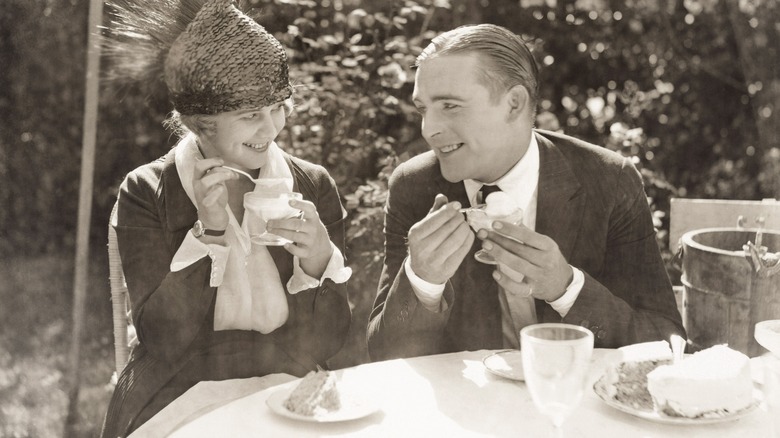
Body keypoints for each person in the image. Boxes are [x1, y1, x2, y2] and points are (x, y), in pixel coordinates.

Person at [100, 0, 351, 435]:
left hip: (288, 384)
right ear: (202, 123)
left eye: (279, 108)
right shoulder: (147, 190)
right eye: (251, 115)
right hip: (178, 389)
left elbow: (328, 342)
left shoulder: (311, 185)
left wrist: (316, 260)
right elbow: (163, 341)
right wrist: (210, 231)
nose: (271, 129)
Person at [367, 24, 685, 361]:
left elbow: (667, 342)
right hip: (470, 409)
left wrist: (567, 289)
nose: (429, 129)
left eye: (450, 106)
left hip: (574, 402)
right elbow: (383, 357)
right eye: (423, 109)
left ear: (514, 104)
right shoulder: (413, 186)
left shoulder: (609, 180)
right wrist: (422, 283)